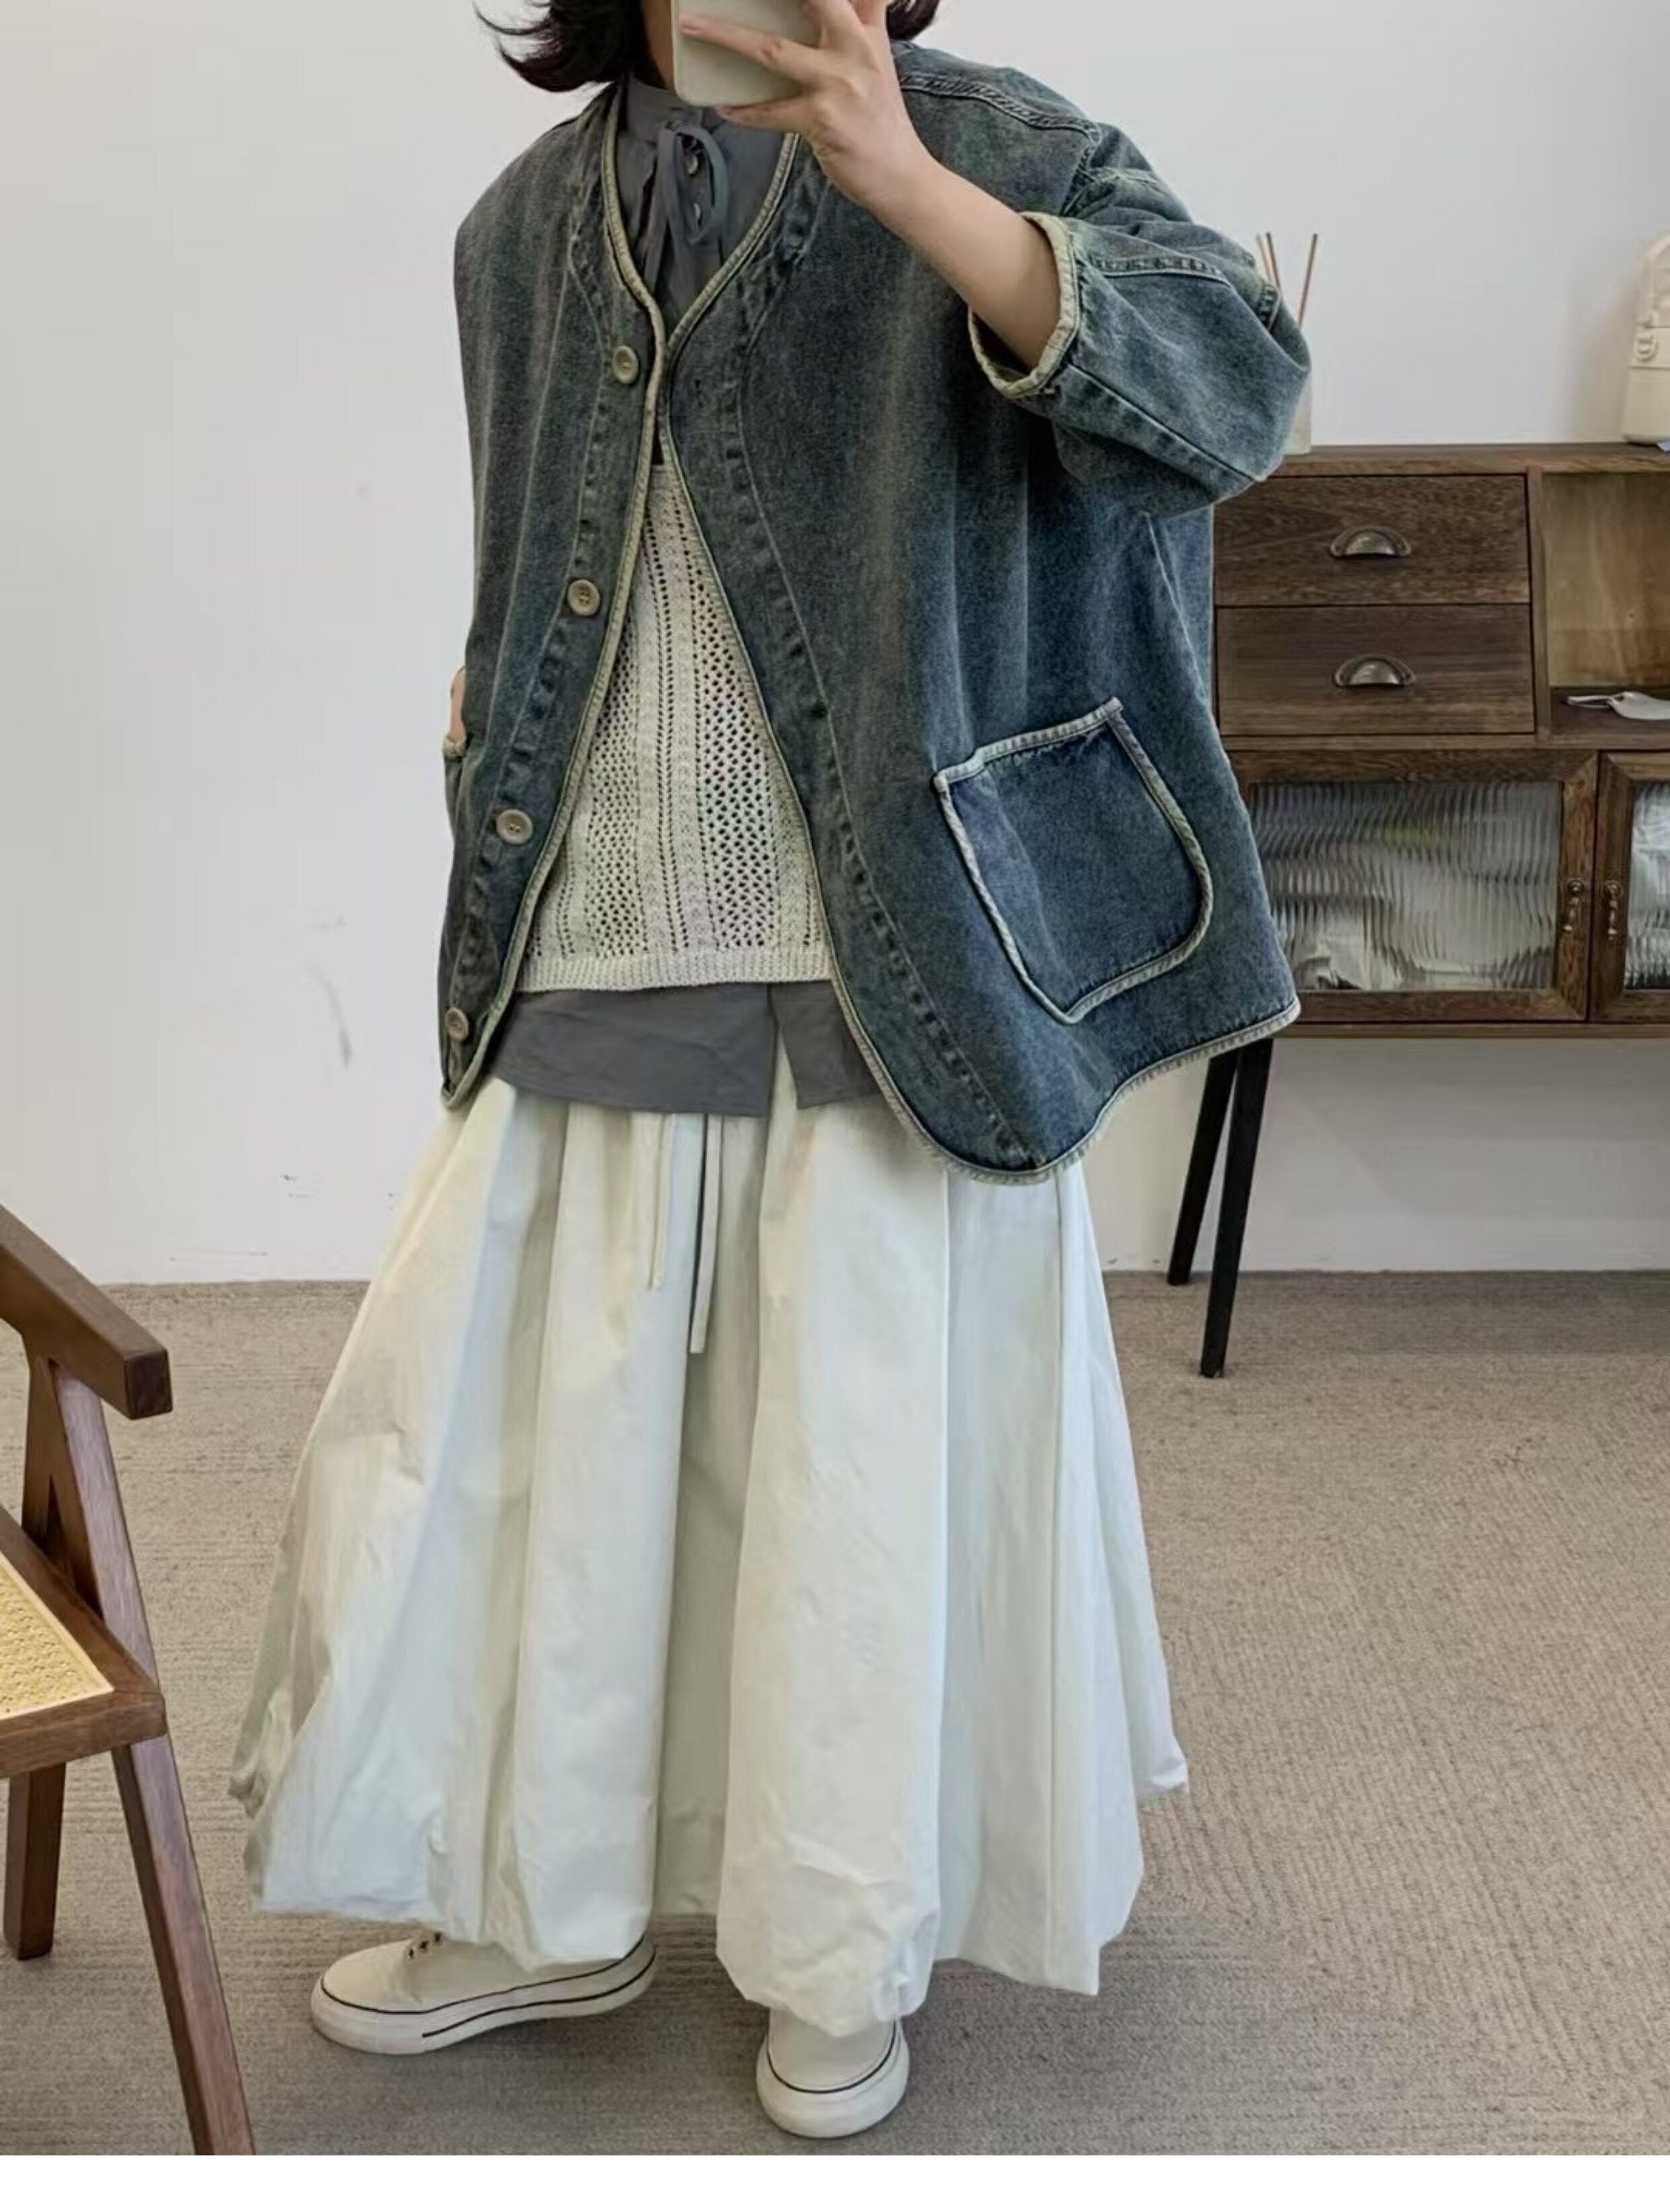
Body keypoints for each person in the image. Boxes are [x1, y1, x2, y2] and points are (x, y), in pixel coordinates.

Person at [231, 0, 1307, 2142]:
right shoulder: (518, 233)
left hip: (902, 959)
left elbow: (1236, 391)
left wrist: (914, 190)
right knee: (533, 1453)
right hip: (596, 915)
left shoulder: (1003, 146)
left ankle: (839, 1938)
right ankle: (545, 1901)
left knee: (850, 1477)